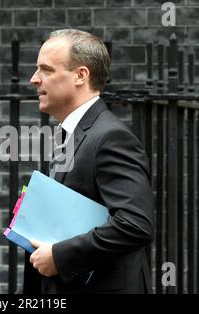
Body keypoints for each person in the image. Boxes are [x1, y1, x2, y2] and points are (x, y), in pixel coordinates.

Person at [23, 29, 155, 294]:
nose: (34, 79)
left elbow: (135, 224)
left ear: (81, 76)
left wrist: (59, 256)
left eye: (46, 69)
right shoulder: (74, 132)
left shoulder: (111, 137)